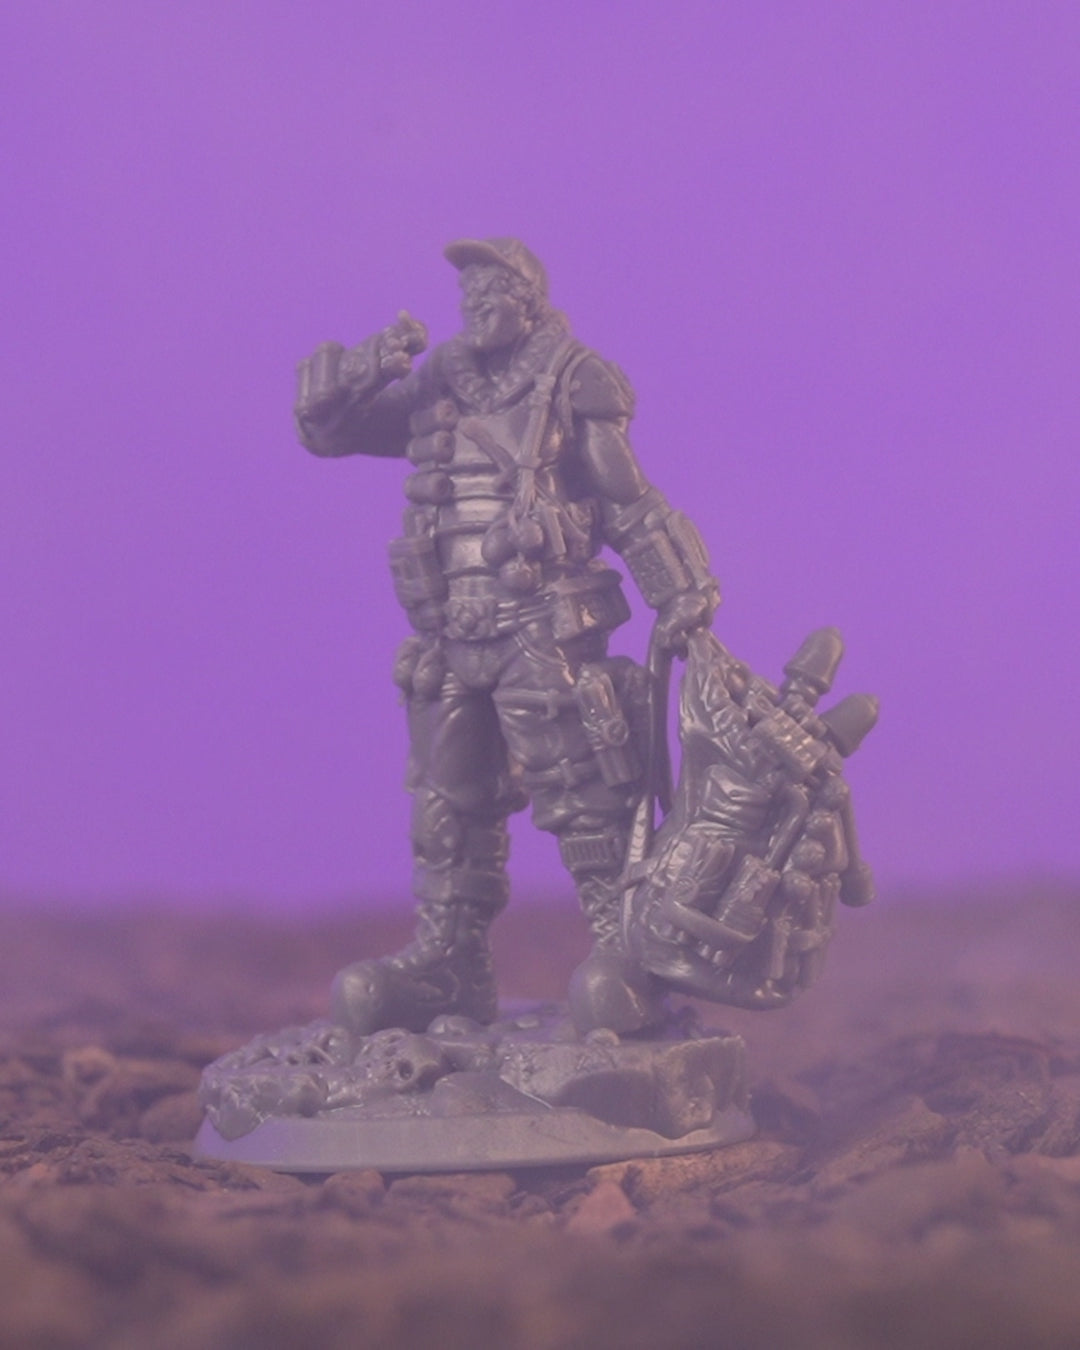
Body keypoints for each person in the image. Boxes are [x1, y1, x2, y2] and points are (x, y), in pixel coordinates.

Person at [294, 238, 718, 1036]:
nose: (475, 307)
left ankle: (625, 955)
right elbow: (332, 433)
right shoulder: (440, 380)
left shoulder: (572, 379)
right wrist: (360, 372)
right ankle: (449, 964)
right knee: (448, 805)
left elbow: (627, 499)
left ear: (528, 300)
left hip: (541, 626)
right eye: (468, 296)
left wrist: (681, 588)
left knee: (585, 796)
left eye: (491, 293)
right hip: (449, 631)